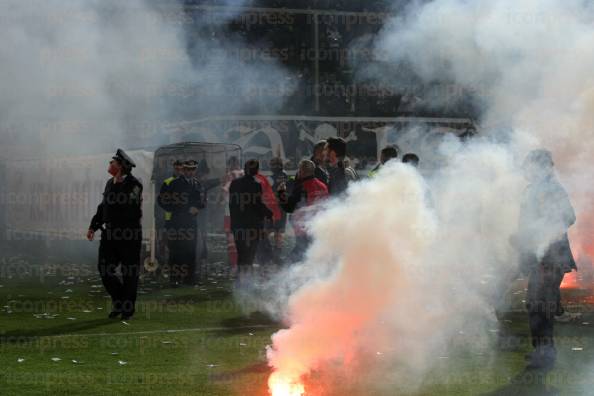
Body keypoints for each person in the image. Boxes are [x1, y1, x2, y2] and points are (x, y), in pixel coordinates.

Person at [512, 149, 577, 369]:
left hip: (551, 256)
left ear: (541, 166)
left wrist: (539, 231)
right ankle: (542, 350)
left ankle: (545, 353)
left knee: (539, 304)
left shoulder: (552, 188)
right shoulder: (532, 190)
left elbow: (568, 216)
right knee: (536, 303)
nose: (526, 170)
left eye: (530, 165)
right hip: (539, 257)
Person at [87, 149, 143, 320]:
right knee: (104, 269)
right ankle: (119, 301)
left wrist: (119, 184)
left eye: (113, 162)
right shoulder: (109, 183)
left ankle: (127, 308)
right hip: (110, 234)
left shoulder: (134, 184)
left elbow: (127, 206)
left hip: (128, 235)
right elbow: (104, 206)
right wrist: (93, 225)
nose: (109, 165)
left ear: (121, 166)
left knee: (129, 272)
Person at [160, 160, 204, 286]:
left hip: (191, 222)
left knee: (190, 251)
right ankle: (175, 278)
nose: (190, 172)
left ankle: (189, 278)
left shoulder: (197, 184)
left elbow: (202, 200)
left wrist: (198, 207)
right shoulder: (174, 184)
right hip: (176, 222)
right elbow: (162, 200)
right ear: (183, 170)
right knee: (175, 250)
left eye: (192, 169)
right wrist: (178, 208)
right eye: (188, 170)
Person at [229, 159, 273, 282]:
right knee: (250, 253)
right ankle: (246, 281)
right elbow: (257, 205)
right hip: (252, 225)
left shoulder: (234, 183)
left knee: (241, 253)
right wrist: (269, 213)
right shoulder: (256, 184)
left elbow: (232, 204)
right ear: (257, 171)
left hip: (237, 224)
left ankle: (240, 280)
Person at [277, 159, 328, 261]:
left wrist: (281, 193)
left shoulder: (301, 187)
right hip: (319, 227)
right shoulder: (323, 186)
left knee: (298, 256)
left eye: (299, 170)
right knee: (312, 253)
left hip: (303, 228)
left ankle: (288, 272)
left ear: (302, 171)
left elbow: (289, 207)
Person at [157, 159, 183, 275]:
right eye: (177, 169)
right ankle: (170, 266)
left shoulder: (188, 182)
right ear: (174, 168)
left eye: (180, 169)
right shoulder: (167, 182)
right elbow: (161, 199)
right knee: (170, 243)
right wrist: (170, 208)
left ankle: (181, 267)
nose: (178, 171)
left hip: (184, 220)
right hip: (170, 218)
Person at [221, 156, 244, 271]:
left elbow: (225, 191)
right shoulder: (245, 174)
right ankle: (243, 263)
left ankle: (234, 264)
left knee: (230, 240)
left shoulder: (229, 175)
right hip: (243, 212)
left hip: (230, 213)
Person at [268, 157, 289, 262]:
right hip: (283, 207)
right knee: (279, 231)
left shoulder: (270, 178)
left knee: (267, 230)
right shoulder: (285, 175)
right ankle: (277, 254)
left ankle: (268, 253)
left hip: (273, 207)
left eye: (272, 164)